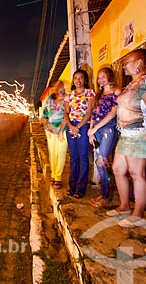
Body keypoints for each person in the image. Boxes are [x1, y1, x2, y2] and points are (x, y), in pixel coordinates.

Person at [106, 48, 146, 228]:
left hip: (138, 134)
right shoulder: (132, 84)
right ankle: (124, 206)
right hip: (126, 134)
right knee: (118, 169)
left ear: (138, 63)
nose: (124, 65)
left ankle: (138, 213)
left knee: (137, 174)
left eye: (127, 62)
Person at [87, 67, 121, 207]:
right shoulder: (99, 95)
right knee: (98, 163)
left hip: (108, 130)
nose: (100, 79)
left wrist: (95, 128)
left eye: (103, 76)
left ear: (110, 77)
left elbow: (112, 114)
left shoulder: (116, 92)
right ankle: (104, 193)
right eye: (98, 77)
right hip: (96, 131)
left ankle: (106, 197)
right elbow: (93, 115)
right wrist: (91, 131)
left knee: (101, 161)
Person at [64, 69, 95, 198]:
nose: (78, 80)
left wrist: (78, 126)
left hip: (83, 126)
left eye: (81, 78)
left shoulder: (90, 93)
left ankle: (80, 188)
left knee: (83, 157)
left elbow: (89, 111)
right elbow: (66, 112)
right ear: (73, 80)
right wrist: (71, 126)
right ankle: (72, 186)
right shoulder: (68, 95)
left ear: (85, 80)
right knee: (73, 157)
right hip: (71, 126)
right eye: (76, 78)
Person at [41, 80, 68, 189]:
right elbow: (45, 114)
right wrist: (46, 127)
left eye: (64, 88)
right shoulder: (50, 99)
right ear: (56, 88)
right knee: (52, 152)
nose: (61, 90)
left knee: (61, 152)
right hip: (50, 130)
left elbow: (67, 115)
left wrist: (61, 131)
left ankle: (58, 177)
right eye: (60, 88)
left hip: (63, 129)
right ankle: (53, 174)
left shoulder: (67, 99)